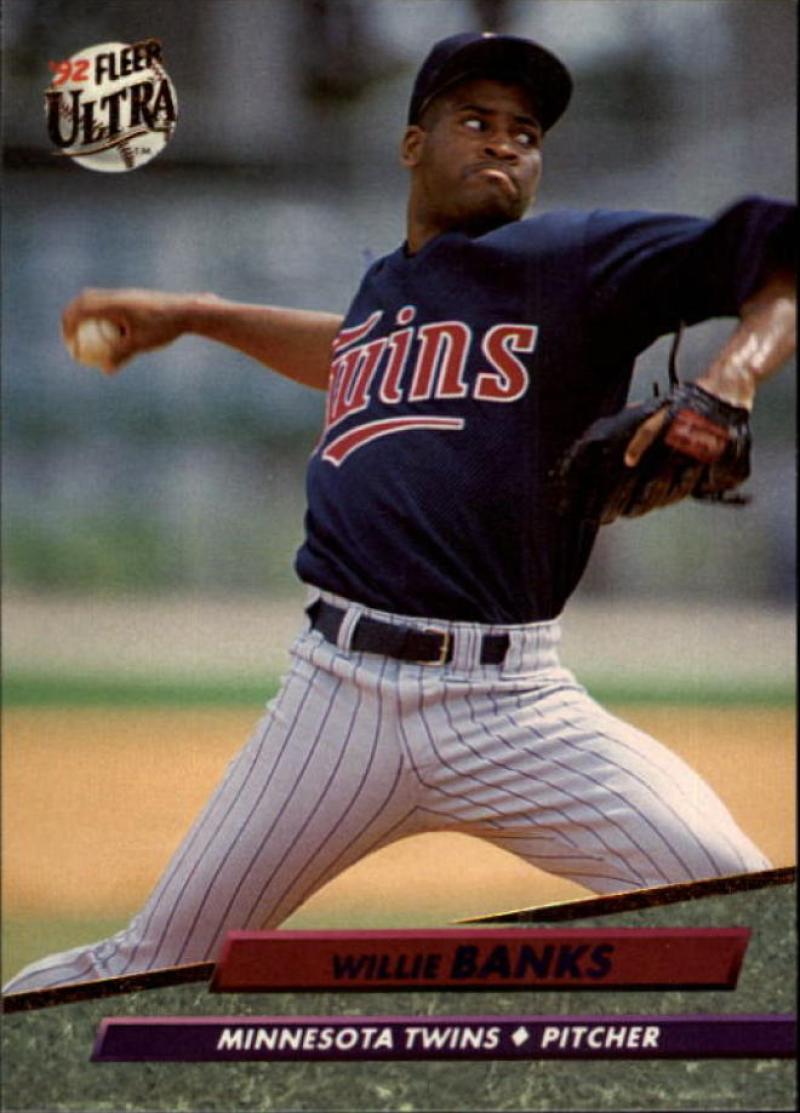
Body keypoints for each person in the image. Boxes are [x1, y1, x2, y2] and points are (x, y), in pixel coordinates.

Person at [4, 31, 795, 995]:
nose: (505, 143)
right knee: (139, 969)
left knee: (757, 920)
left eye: (526, 131)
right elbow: (356, 355)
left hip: (516, 707)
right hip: (335, 699)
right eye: (475, 120)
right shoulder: (393, 289)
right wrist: (199, 313)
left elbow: (782, 254)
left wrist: (727, 384)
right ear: (411, 146)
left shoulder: (572, 259)